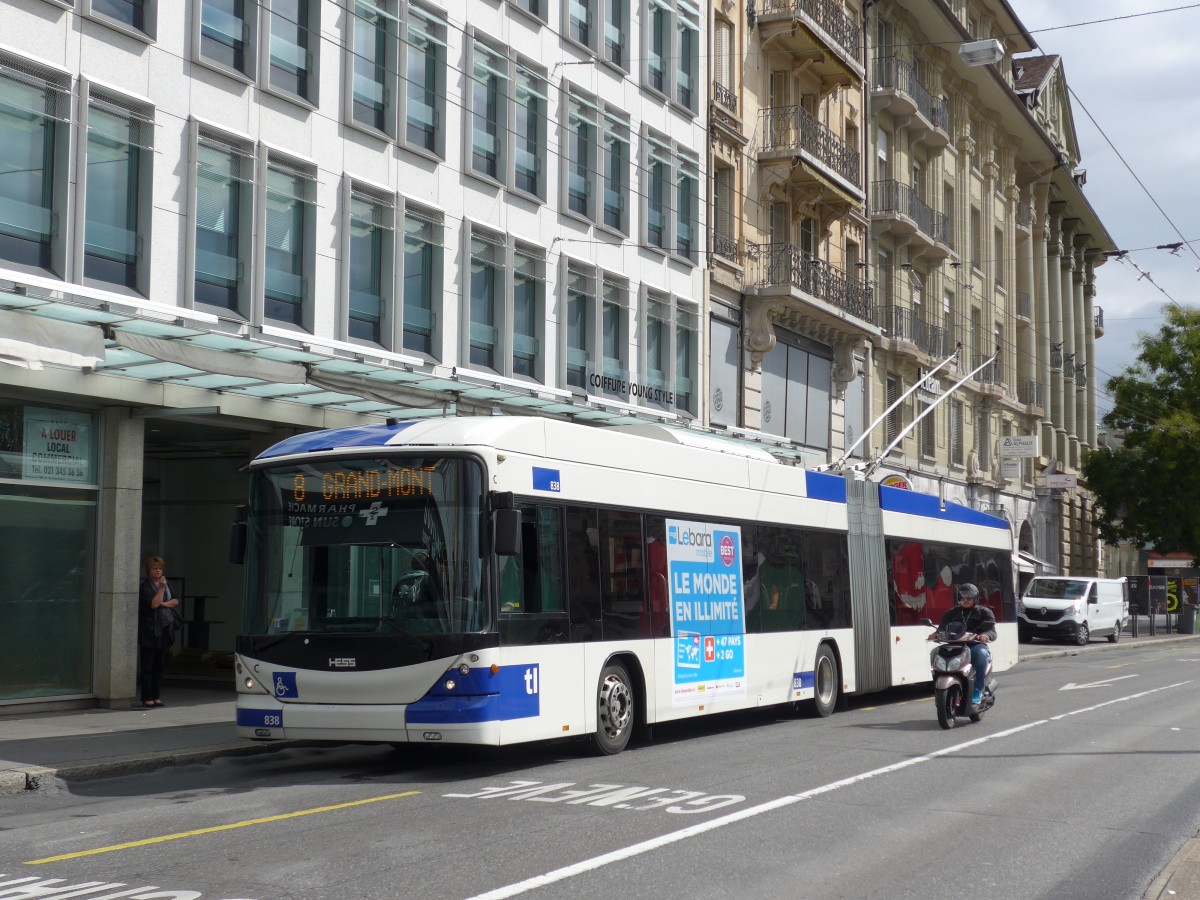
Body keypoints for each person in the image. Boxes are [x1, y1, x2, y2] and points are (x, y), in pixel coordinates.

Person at [927, 582, 996, 710]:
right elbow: (941, 629)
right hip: (954, 645)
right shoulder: (951, 613)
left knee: (981, 654)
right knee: (934, 652)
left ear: (975, 598)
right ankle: (937, 685)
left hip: (974, 645)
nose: (965, 600)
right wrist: (936, 634)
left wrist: (985, 635)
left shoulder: (984, 612)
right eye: (962, 597)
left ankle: (978, 689)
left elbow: (992, 631)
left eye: (969, 597)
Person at [138, 555, 181, 708]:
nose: (158, 571)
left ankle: (156, 696)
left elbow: (175, 600)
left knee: (159, 664)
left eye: (160, 569)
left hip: (164, 629)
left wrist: (164, 602)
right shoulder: (145, 587)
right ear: (149, 571)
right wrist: (161, 589)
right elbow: (154, 604)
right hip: (149, 630)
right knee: (147, 665)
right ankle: (146, 697)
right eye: (154, 569)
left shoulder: (168, 585)